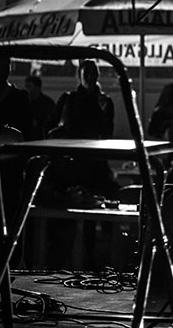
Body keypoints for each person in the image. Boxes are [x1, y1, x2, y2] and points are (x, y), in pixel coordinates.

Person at [41, 59, 119, 268]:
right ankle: (75, 260)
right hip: (75, 163)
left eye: (93, 74)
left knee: (89, 215)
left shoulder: (102, 101)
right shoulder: (70, 99)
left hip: (90, 163)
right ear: (80, 76)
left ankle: (89, 259)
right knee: (71, 214)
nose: (90, 78)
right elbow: (49, 126)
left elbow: (107, 134)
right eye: (87, 74)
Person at [24, 73, 56, 141]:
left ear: (37, 87)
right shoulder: (24, 102)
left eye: (29, 86)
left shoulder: (48, 103)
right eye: (26, 87)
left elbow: (51, 122)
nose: (26, 89)